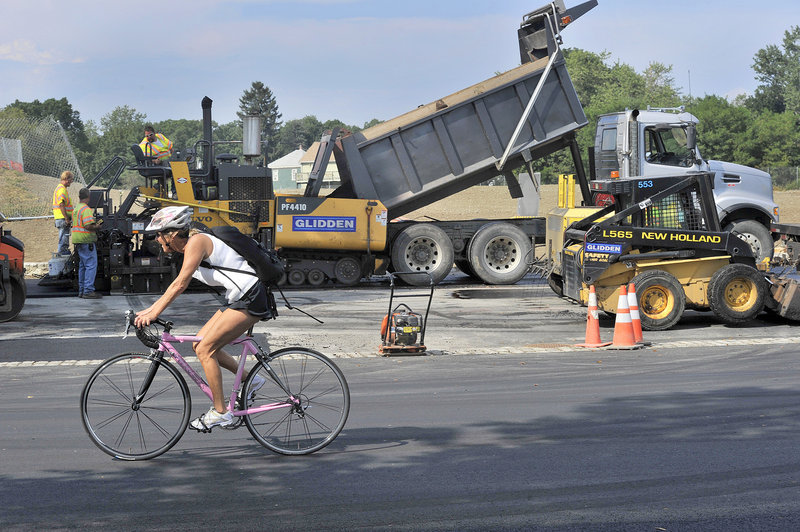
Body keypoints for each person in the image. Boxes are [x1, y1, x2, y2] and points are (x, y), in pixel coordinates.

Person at [134, 206, 270, 431]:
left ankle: (220, 412)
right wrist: (149, 310)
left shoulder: (196, 243)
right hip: (238, 298)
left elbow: (180, 284)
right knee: (200, 343)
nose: (157, 240)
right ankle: (251, 380)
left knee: (206, 349)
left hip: (250, 297)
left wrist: (153, 313)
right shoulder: (190, 246)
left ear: (173, 234)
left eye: (159, 234)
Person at [71, 188, 102, 299]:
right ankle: (88, 291)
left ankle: (82, 290)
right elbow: (88, 225)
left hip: (78, 240)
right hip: (86, 240)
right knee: (90, 265)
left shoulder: (77, 209)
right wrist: (97, 226)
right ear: (88, 197)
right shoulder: (86, 209)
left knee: (83, 266)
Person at [52, 170, 74, 255]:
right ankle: (62, 254)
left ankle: (63, 252)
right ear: (67, 179)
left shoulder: (61, 188)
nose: (71, 182)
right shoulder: (61, 189)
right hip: (62, 218)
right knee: (63, 240)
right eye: (71, 180)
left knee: (64, 238)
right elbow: (61, 204)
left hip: (61, 218)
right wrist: (66, 218)